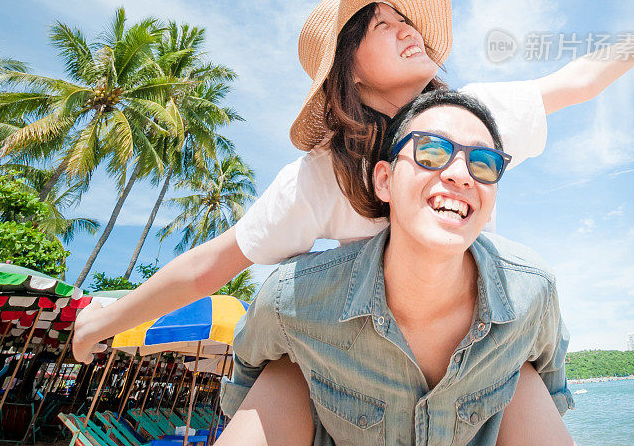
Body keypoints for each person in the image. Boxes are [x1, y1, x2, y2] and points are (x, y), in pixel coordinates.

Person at [72, 0, 634, 442]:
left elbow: (575, 82)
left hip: (474, 354)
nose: (407, 28)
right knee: (287, 362)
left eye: (403, 17)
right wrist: (109, 319)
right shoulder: (323, 176)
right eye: (381, 25)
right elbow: (216, 261)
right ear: (349, 73)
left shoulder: (474, 116)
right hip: (354, 377)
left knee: (520, 362)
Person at [218, 88, 575, 446]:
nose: (461, 175)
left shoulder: (531, 291)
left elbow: (549, 380)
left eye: (483, 164)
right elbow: (248, 374)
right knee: (285, 371)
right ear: (384, 181)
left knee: (524, 375)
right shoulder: (293, 298)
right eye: (431, 151)